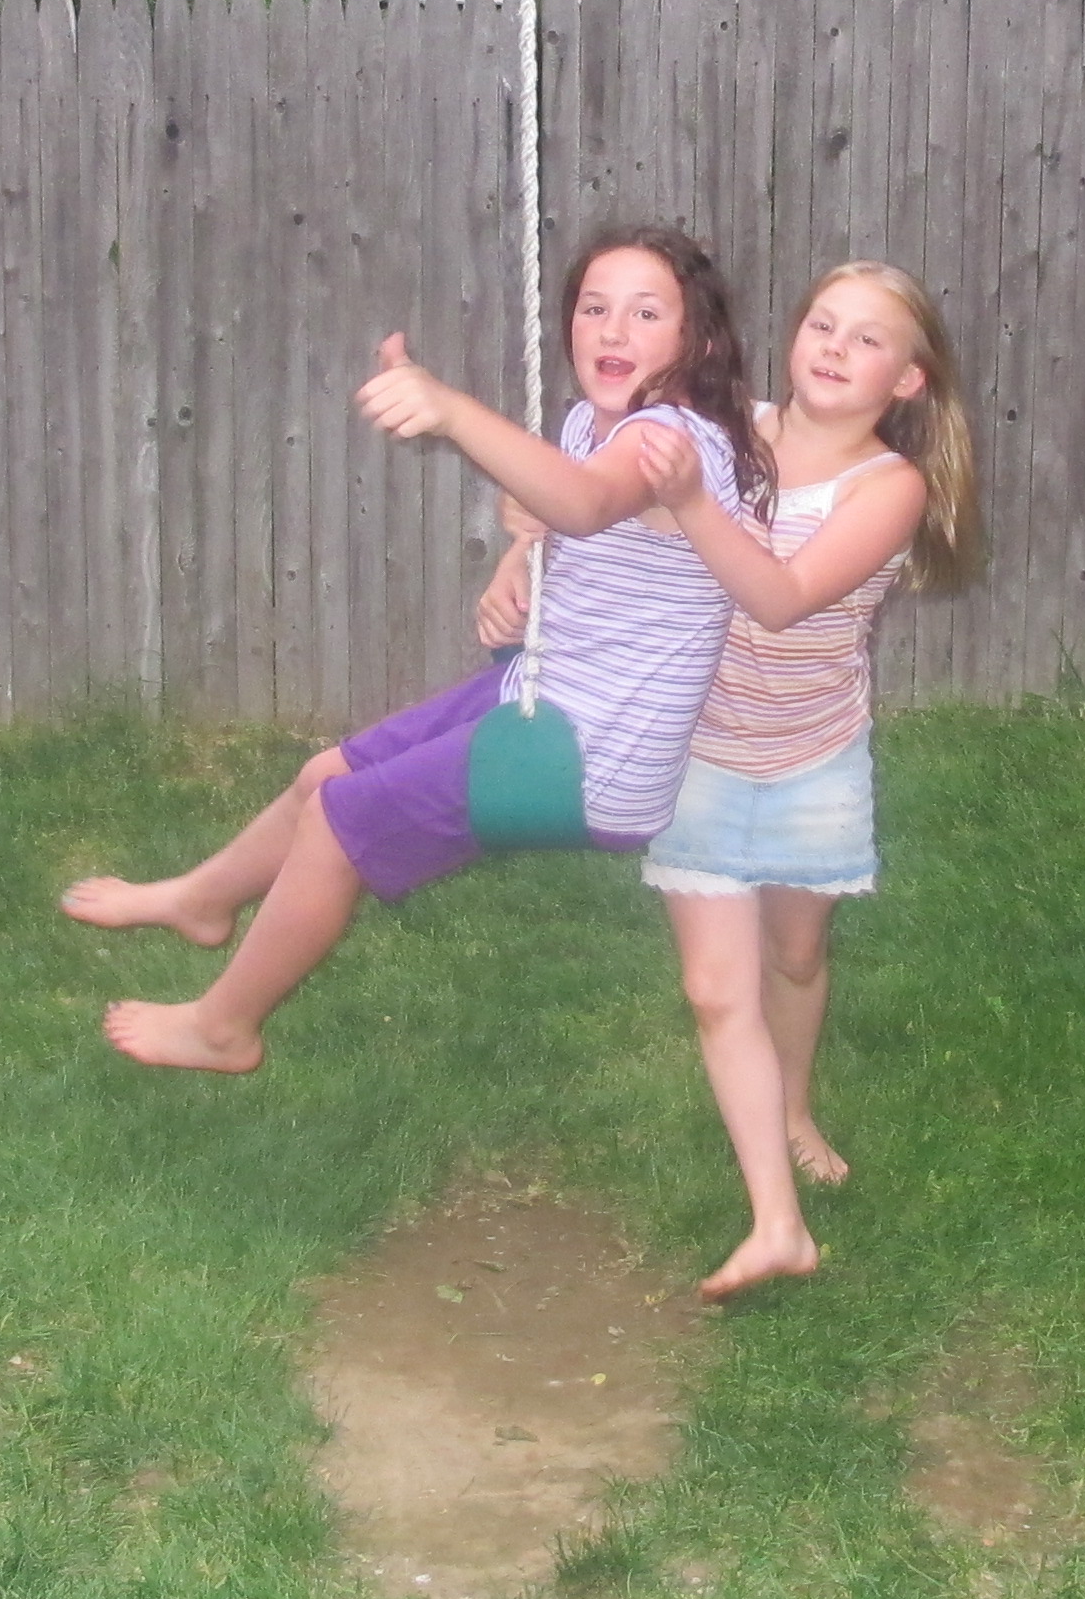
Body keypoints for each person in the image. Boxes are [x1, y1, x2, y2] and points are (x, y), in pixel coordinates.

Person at [62, 225, 766, 1074]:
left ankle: (223, 1029)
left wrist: (452, 410)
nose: (613, 331)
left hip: (596, 756)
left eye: (647, 313)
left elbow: (585, 504)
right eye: (594, 308)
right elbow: (577, 524)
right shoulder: (594, 421)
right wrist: (519, 562)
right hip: (548, 693)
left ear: (698, 338)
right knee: (325, 775)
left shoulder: (672, 440)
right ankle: (202, 900)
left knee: (340, 822)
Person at [487, 260, 978, 1298]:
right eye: (822, 325)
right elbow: (581, 505)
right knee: (718, 990)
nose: (834, 349)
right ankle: (776, 1223)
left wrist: (694, 502)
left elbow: (782, 599)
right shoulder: (722, 428)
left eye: (867, 340)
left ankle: (793, 1107)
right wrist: (516, 557)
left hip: (812, 760)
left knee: (794, 957)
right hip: (698, 749)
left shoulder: (889, 488)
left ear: (907, 381)